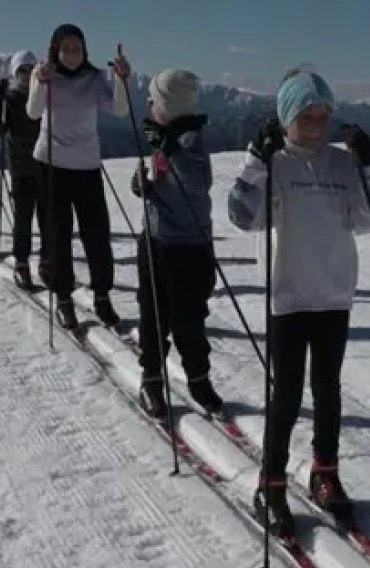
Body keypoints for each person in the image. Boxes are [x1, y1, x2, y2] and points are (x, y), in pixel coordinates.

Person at [228, 68, 370, 538]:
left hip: (335, 292)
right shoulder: (277, 162)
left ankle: (325, 471)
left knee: (328, 389)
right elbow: (243, 217)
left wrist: (369, 168)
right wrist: (255, 164)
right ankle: (272, 482)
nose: (316, 125)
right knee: (285, 394)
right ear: (286, 117)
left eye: (323, 116)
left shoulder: (342, 165)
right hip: (289, 295)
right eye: (306, 116)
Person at [128, 68, 224, 419]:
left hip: (188, 244)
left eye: (154, 100)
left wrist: (168, 147)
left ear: (168, 105)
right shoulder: (167, 137)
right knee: (152, 314)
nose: (150, 105)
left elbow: (197, 184)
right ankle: (152, 377)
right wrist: (146, 185)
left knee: (189, 319)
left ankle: (198, 377)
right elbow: (166, 181)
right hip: (154, 239)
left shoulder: (190, 139)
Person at [26, 23, 132, 330]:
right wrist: (40, 83)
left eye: (78, 48)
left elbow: (120, 110)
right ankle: (64, 297)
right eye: (67, 48)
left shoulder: (95, 78)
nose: (73, 54)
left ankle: (102, 295)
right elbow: (33, 112)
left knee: (96, 234)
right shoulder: (44, 74)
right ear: (55, 50)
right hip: (52, 162)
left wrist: (122, 80)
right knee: (57, 233)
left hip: (86, 164)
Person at [0, 50, 46, 290]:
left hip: (45, 165)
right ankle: (22, 263)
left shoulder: (44, 95)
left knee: (47, 218)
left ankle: (46, 259)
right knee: (23, 219)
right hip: (22, 167)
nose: (25, 75)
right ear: (16, 73)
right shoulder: (10, 99)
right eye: (21, 71)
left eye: (29, 70)